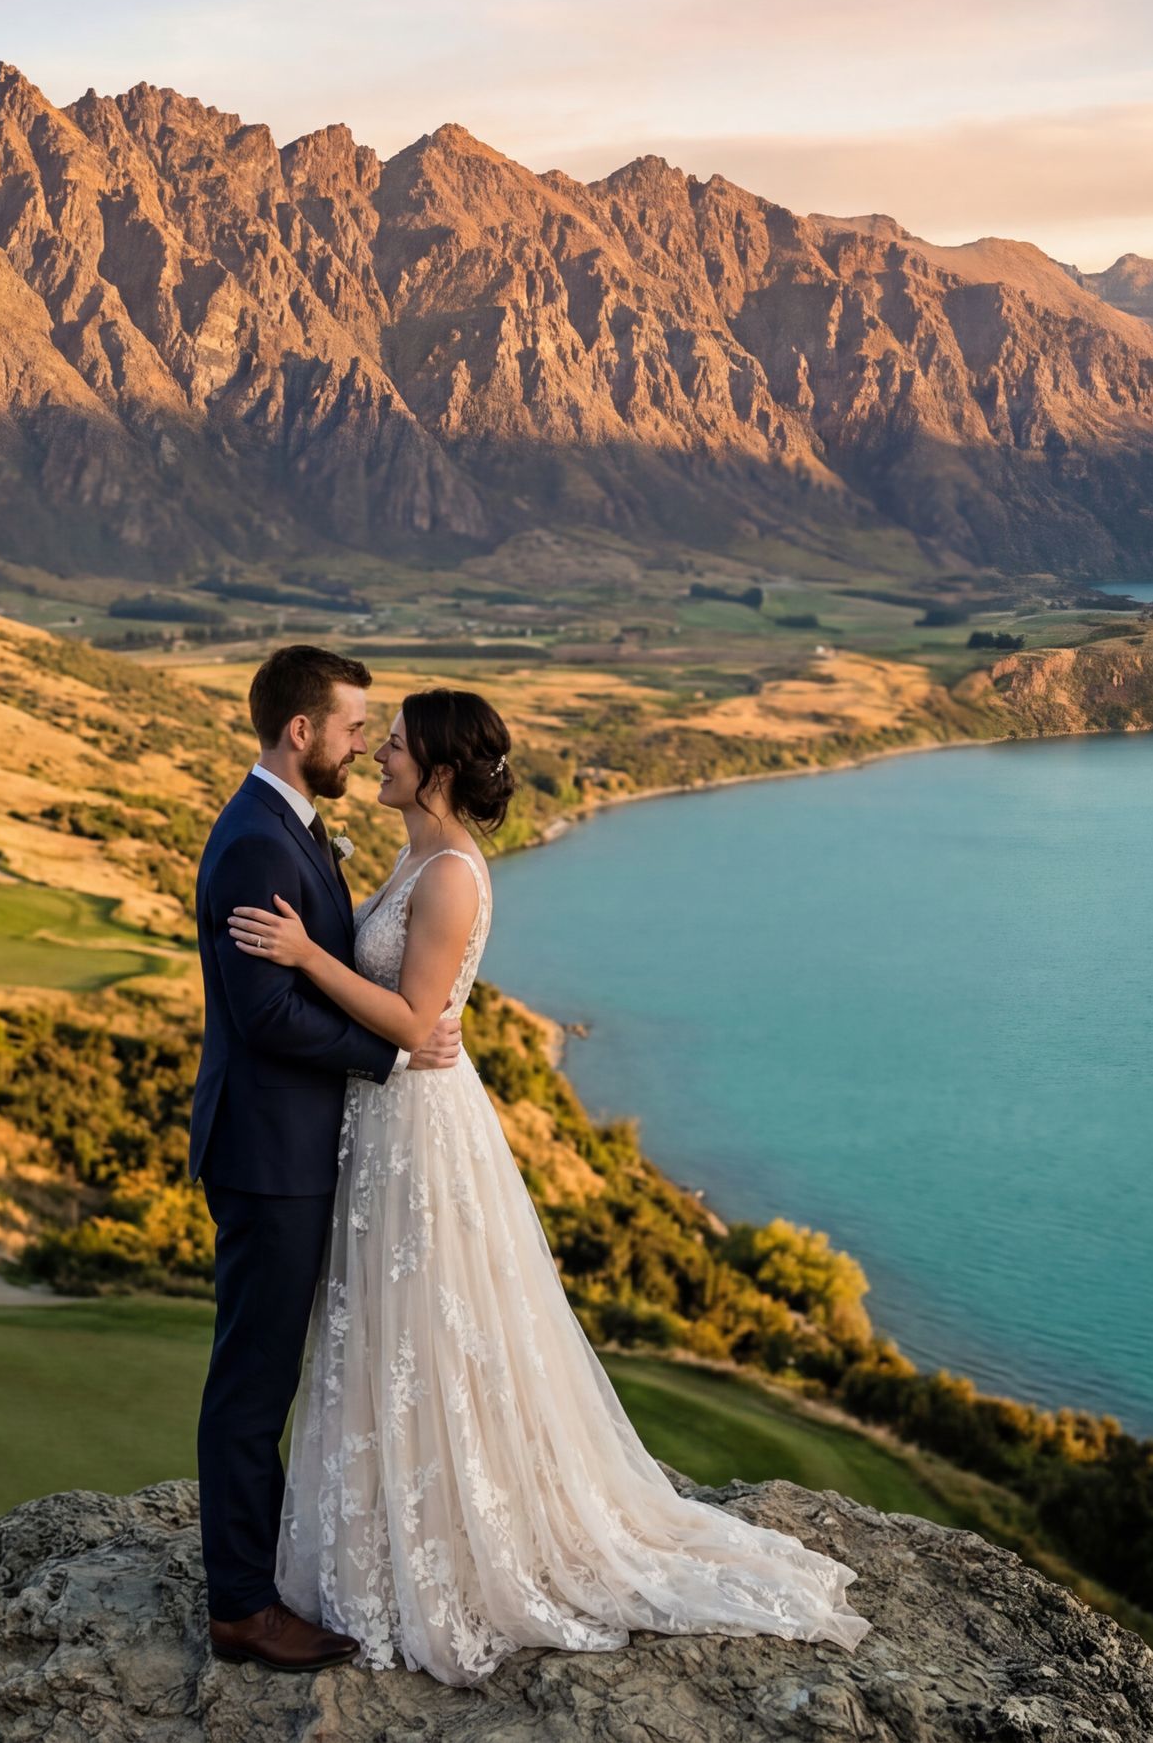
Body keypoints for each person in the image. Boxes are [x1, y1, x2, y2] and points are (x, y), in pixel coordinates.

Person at [228, 685, 872, 1687]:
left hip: (418, 1128)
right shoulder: (414, 854)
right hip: (385, 1118)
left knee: (430, 1322)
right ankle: (397, 1529)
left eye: (395, 747)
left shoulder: (450, 877)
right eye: (380, 740)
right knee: (391, 1325)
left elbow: (411, 1021)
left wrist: (307, 953)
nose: (379, 757)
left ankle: (456, 1540)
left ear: (438, 770)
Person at [191, 645, 461, 1673]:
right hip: (269, 1153)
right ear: (300, 732)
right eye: (354, 726)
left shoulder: (284, 825)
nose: (364, 741)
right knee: (253, 1384)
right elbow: (264, 1015)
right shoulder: (259, 843)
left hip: (294, 1144)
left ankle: (254, 1584)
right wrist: (392, 1050)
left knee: (264, 1375)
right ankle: (242, 1611)